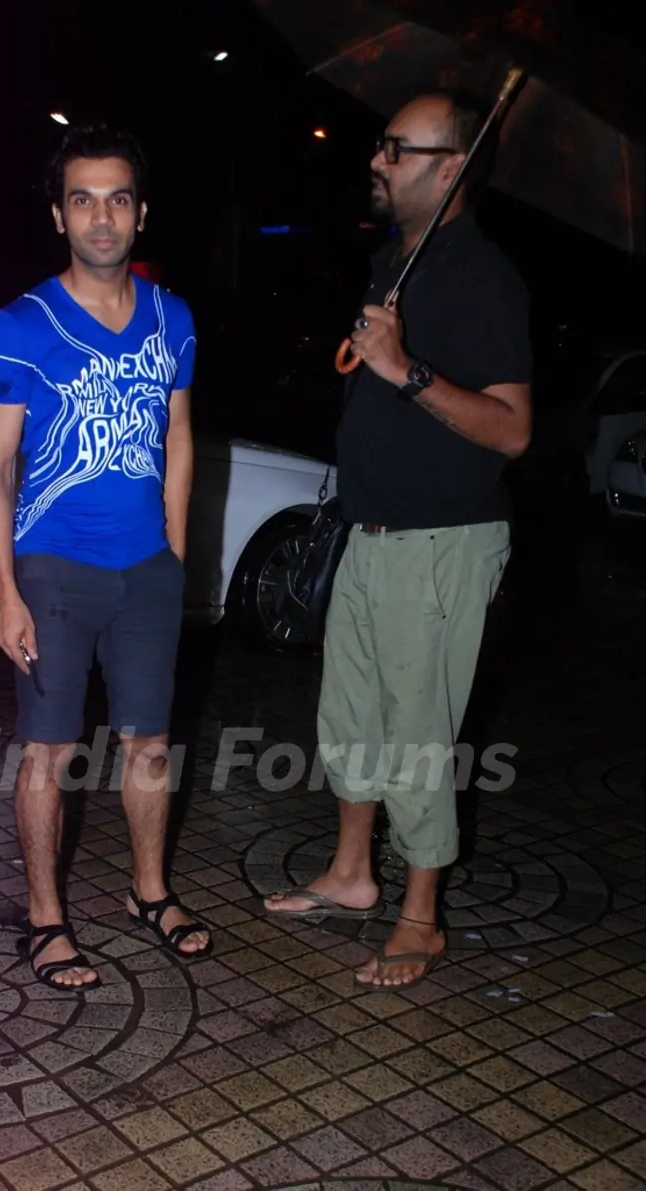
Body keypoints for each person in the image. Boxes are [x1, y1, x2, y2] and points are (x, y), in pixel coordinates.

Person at [265, 92, 532, 990]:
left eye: (396, 148)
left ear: (451, 166)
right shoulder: (396, 260)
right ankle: (351, 872)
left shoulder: (481, 276)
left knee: (419, 734)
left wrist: (405, 370)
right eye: (380, 145)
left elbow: (512, 430)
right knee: (350, 719)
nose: (376, 160)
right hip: (372, 533)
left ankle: (421, 917)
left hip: (441, 542)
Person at [0, 124, 211, 992]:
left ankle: (151, 894)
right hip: (55, 570)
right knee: (48, 752)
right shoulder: (20, 327)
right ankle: (45, 918)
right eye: (83, 199)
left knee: (151, 744)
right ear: (58, 215)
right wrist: (6, 591)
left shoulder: (173, 317)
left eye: (117, 198)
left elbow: (179, 439)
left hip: (146, 569)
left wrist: (176, 551)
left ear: (140, 213)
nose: (101, 217)